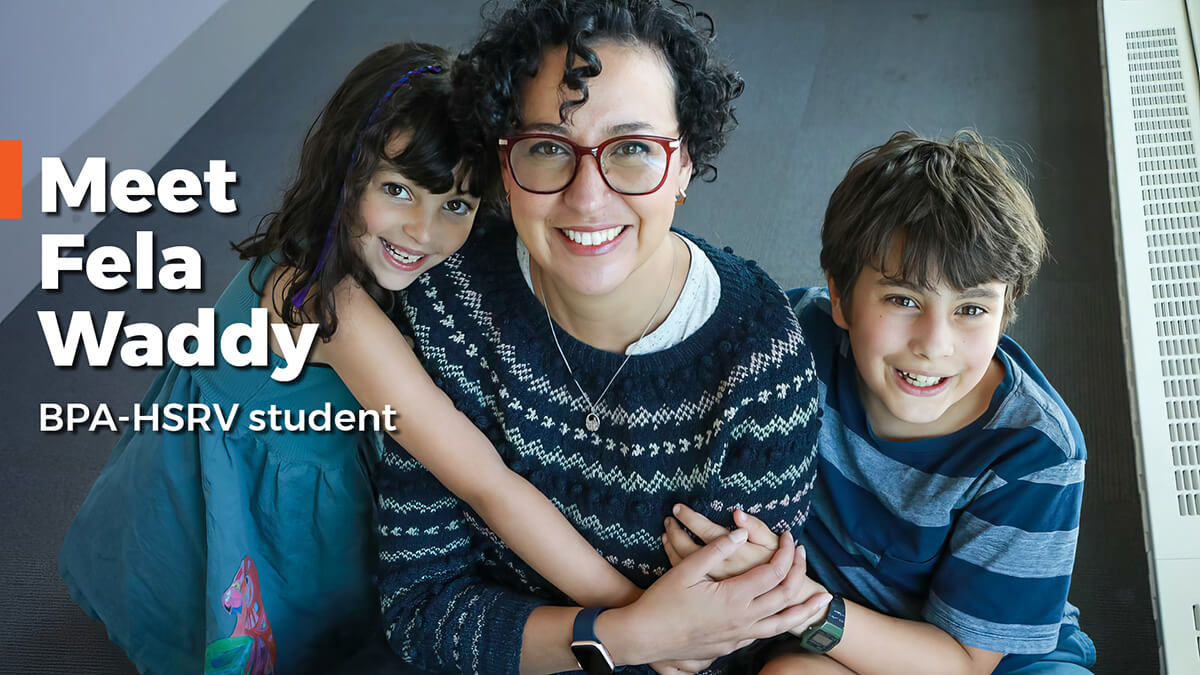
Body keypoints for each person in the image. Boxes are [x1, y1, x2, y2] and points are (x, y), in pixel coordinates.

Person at [59, 41, 654, 675]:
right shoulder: (319, 302)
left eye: (455, 204)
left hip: (322, 462)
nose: (423, 231)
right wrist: (636, 614)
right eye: (398, 190)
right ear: (347, 171)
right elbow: (484, 482)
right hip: (246, 484)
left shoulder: (388, 254)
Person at [374, 2, 826, 674]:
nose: (587, 198)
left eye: (633, 149)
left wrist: (641, 637)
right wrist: (626, 635)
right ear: (505, 163)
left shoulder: (760, 360)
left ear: (683, 164)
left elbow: (726, 645)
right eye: (548, 147)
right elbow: (419, 609)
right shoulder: (449, 300)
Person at [663, 130, 1094, 674]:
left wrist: (792, 603)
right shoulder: (791, 342)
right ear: (839, 298)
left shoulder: (1035, 450)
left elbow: (964, 662)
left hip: (978, 657)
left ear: (1005, 310)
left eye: (971, 309)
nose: (934, 344)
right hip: (829, 633)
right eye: (903, 299)